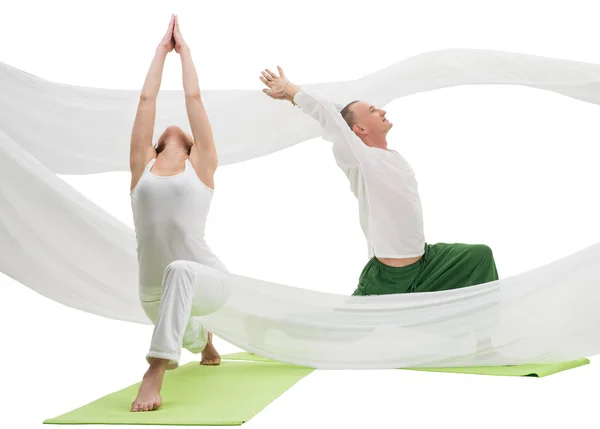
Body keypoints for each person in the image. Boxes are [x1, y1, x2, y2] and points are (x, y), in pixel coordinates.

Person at [259, 67, 499, 297]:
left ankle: (483, 337)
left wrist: (296, 99)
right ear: (360, 128)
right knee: (342, 332)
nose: (382, 111)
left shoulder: (390, 157)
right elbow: (331, 116)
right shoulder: (360, 159)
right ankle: (277, 330)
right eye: (374, 110)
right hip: (390, 276)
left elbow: (343, 114)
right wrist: (291, 90)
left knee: (479, 256)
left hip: (427, 263)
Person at [129, 15, 231, 412]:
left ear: (192, 147)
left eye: (183, 133)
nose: (174, 126)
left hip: (210, 278)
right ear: (153, 146)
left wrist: (184, 52)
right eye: (163, 134)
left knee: (182, 271)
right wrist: (159, 52)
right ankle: (202, 338)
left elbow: (194, 100)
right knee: (180, 313)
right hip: (152, 294)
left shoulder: (200, 167)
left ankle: (155, 371)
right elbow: (146, 101)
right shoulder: (142, 168)